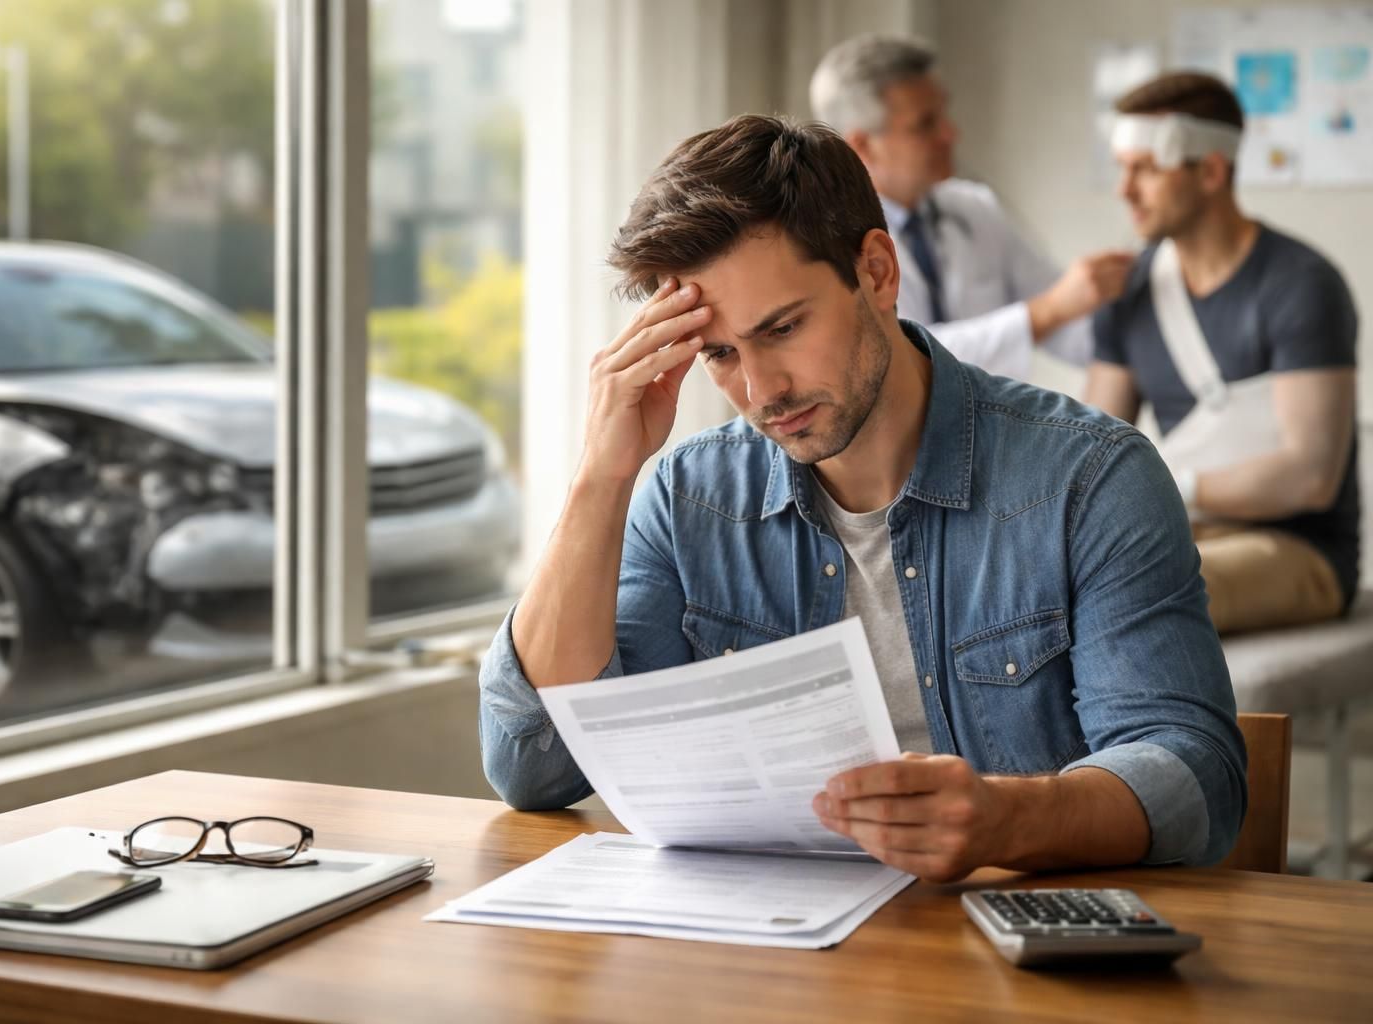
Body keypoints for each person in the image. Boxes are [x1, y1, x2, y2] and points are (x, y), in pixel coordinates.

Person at [478, 114, 1245, 883]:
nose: (759, 391)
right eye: (718, 354)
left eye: (781, 328)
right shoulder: (687, 500)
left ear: (877, 271)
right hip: (768, 959)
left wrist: (1007, 819)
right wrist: (599, 479)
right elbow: (534, 766)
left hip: (1012, 957)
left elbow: (1195, 778)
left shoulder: (1091, 479)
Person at [1087, 71, 1360, 635]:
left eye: (1146, 170)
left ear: (1211, 171)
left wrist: (1173, 487)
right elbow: (1095, 451)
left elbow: (1310, 476)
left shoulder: (1301, 283)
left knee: (1144, 583)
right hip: (1189, 530)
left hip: (1299, 548)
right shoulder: (1129, 290)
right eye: (1122, 168)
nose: (1124, 190)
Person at [809, 34, 1134, 381]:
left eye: (943, 113)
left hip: (991, 425)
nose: (950, 133)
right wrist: (1045, 312)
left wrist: (1140, 320)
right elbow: (906, 350)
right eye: (925, 123)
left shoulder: (976, 208)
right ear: (862, 146)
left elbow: (1070, 326)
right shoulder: (827, 240)